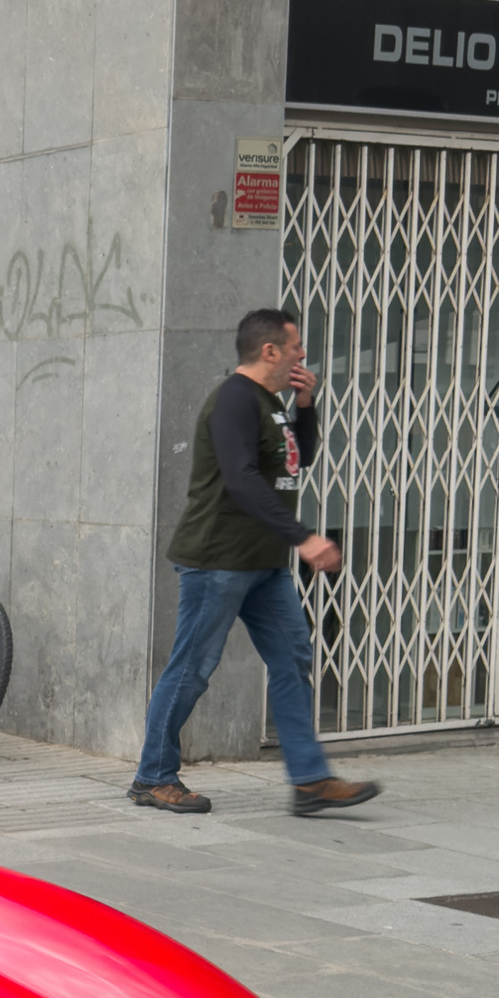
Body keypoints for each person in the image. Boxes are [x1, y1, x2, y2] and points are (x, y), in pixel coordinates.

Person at [132, 308, 378, 818]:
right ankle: (153, 776)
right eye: (295, 347)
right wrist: (303, 537)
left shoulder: (271, 403)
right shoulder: (234, 402)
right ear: (269, 351)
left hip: (264, 563)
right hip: (217, 559)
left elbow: (297, 460)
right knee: (192, 669)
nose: (302, 354)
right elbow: (242, 480)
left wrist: (305, 403)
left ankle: (310, 782)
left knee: (293, 660)